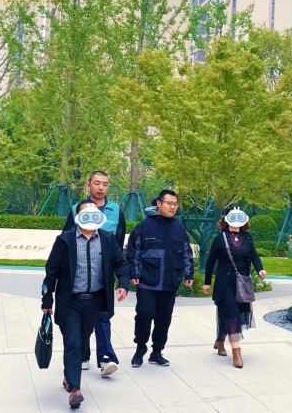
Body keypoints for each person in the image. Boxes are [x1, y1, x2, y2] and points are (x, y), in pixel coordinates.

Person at [42, 200, 129, 409]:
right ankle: (75, 390)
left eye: (94, 213)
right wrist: (47, 299)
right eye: (86, 213)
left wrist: (123, 284)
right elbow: (52, 271)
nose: (91, 216)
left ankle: (68, 376)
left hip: (95, 302)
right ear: (77, 217)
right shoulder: (65, 240)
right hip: (70, 302)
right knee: (72, 342)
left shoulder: (107, 239)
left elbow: (120, 263)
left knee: (81, 342)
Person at [63, 171, 126, 377]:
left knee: (102, 316)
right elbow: (66, 240)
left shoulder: (116, 211)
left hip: (103, 277)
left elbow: (118, 242)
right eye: (97, 183)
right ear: (88, 185)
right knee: (82, 320)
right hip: (79, 278)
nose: (101, 187)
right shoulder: (77, 209)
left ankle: (106, 357)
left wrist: (121, 276)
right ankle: (83, 355)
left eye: (105, 184)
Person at [126, 189, 194, 367]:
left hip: (170, 282)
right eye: (169, 203)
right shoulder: (144, 226)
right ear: (158, 203)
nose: (172, 207)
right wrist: (133, 273)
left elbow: (186, 252)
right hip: (147, 281)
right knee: (144, 315)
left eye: (175, 204)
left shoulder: (179, 228)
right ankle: (140, 348)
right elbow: (133, 251)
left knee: (164, 319)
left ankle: (157, 352)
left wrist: (189, 273)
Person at [203, 207, 267, 368]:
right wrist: (207, 282)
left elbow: (254, 255)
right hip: (225, 283)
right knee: (231, 314)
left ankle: (220, 340)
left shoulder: (247, 237)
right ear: (226, 219)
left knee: (234, 314)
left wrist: (260, 269)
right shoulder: (220, 238)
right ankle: (236, 353)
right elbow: (210, 262)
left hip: (242, 283)